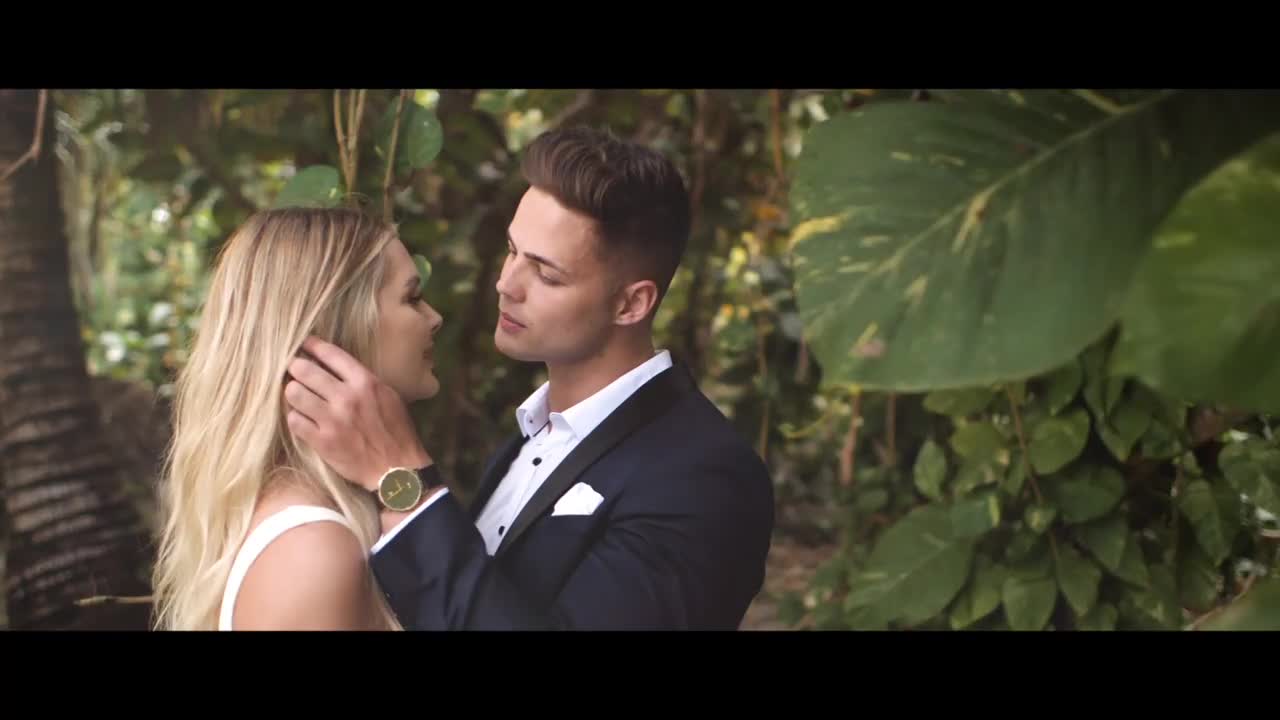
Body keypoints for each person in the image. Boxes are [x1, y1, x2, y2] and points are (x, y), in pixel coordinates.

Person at [284, 126, 775, 630]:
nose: (506, 283)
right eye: (512, 250)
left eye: (545, 273)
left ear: (631, 303)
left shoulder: (703, 476)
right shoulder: (532, 436)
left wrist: (401, 478)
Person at [150, 207, 444, 630]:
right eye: (412, 298)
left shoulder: (315, 523)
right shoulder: (313, 549)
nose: (434, 318)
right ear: (341, 324)